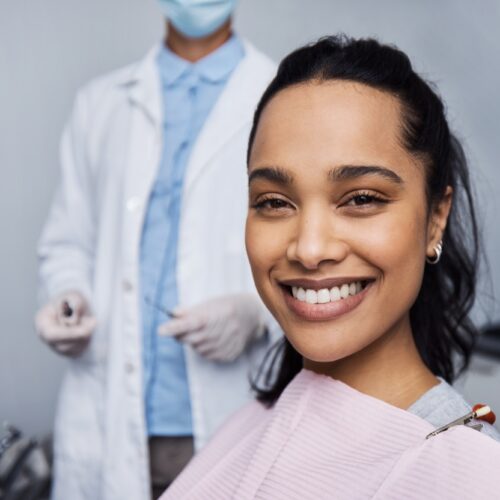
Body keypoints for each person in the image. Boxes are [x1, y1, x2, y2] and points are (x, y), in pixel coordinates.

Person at [161, 35, 500, 499]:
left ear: (435, 219)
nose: (310, 248)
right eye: (275, 202)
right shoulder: (249, 424)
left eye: (362, 199)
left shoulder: (467, 474)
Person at [34, 1, 279, 499]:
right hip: (108, 415)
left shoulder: (281, 96)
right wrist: (68, 296)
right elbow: (68, 242)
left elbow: (310, 244)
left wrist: (258, 314)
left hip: (226, 413)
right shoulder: (100, 103)